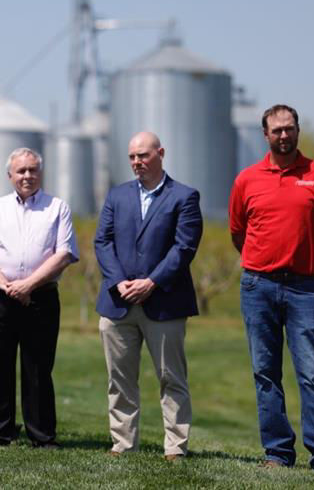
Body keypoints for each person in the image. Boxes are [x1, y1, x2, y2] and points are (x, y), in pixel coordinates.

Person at [229, 104, 314, 473]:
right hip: (258, 286)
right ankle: (277, 453)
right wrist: (262, 263)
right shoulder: (247, 179)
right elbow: (238, 232)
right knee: (265, 372)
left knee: (312, 372)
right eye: (277, 130)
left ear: (298, 130)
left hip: (305, 288)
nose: (284, 136)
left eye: (289, 129)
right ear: (265, 134)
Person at [94, 131, 202, 461]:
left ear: (160, 153)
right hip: (118, 302)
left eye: (143, 155)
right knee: (119, 380)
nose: (137, 162)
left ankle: (175, 447)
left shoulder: (184, 196)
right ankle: (123, 444)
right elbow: (103, 242)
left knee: (172, 378)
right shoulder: (117, 196)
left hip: (165, 303)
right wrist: (118, 282)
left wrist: (151, 282)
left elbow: (184, 248)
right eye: (132, 157)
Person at [0, 147, 77, 448]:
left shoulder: (58, 208)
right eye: (21, 171)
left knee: (38, 367)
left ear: (41, 173)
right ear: (10, 175)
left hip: (40, 298)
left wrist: (27, 285)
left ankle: (41, 435)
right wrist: (7, 286)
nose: (27, 175)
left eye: (32, 170)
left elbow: (64, 254)